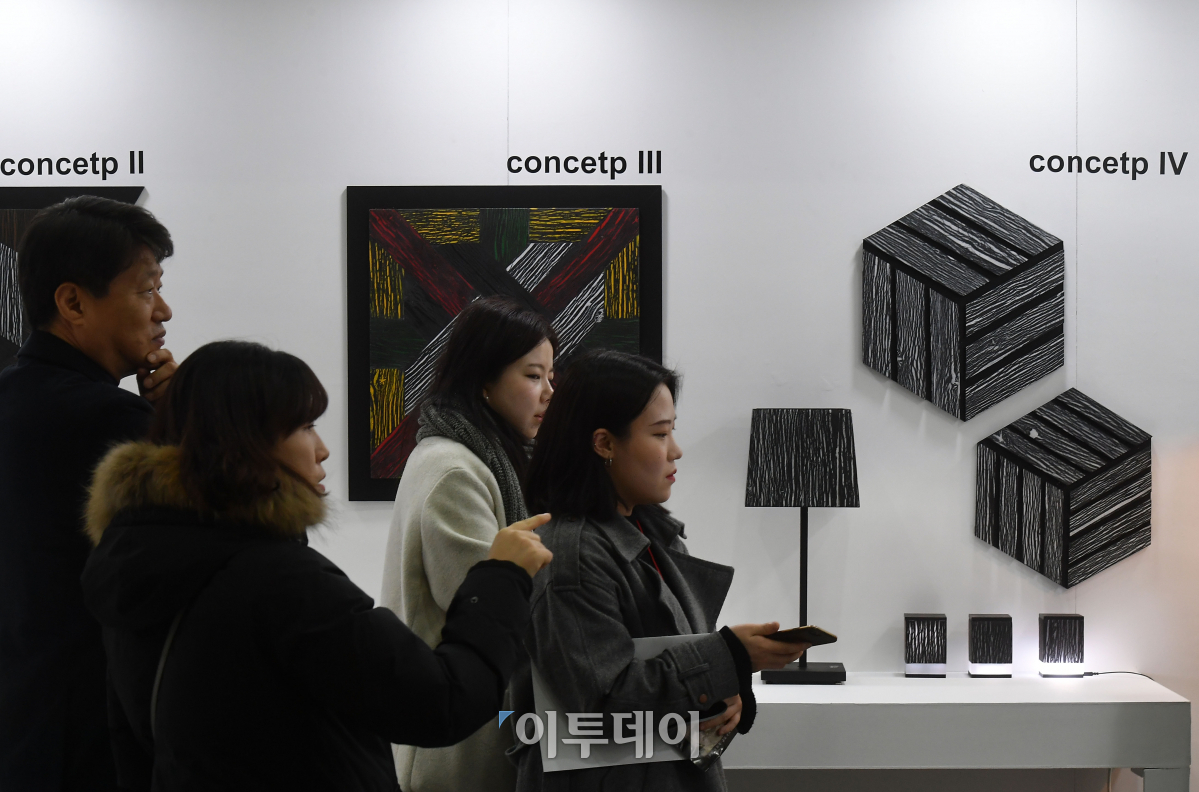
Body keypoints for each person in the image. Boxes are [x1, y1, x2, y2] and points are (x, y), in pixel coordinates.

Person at [80, 340, 553, 790]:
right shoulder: (279, 583)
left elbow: (132, 751)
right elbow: (440, 701)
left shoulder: (137, 568)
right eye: (305, 427)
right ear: (249, 445)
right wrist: (501, 577)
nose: (322, 449)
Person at [513, 350, 811, 792]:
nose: (676, 450)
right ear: (604, 443)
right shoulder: (571, 557)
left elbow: (674, 670)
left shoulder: (650, 534)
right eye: (660, 433)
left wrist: (729, 692)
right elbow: (603, 703)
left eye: (672, 431)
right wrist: (729, 656)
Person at [0, 196, 177, 791]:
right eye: (146, 290)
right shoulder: (114, 421)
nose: (164, 310)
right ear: (73, 302)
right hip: (97, 736)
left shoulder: (12, 398)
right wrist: (186, 427)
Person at [380, 296, 557, 792]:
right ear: (483, 380)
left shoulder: (476, 457)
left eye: (551, 375)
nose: (549, 392)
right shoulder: (456, 470)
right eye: (533, 376)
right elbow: (490, 608)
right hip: (458, 750)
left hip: (476, 727)